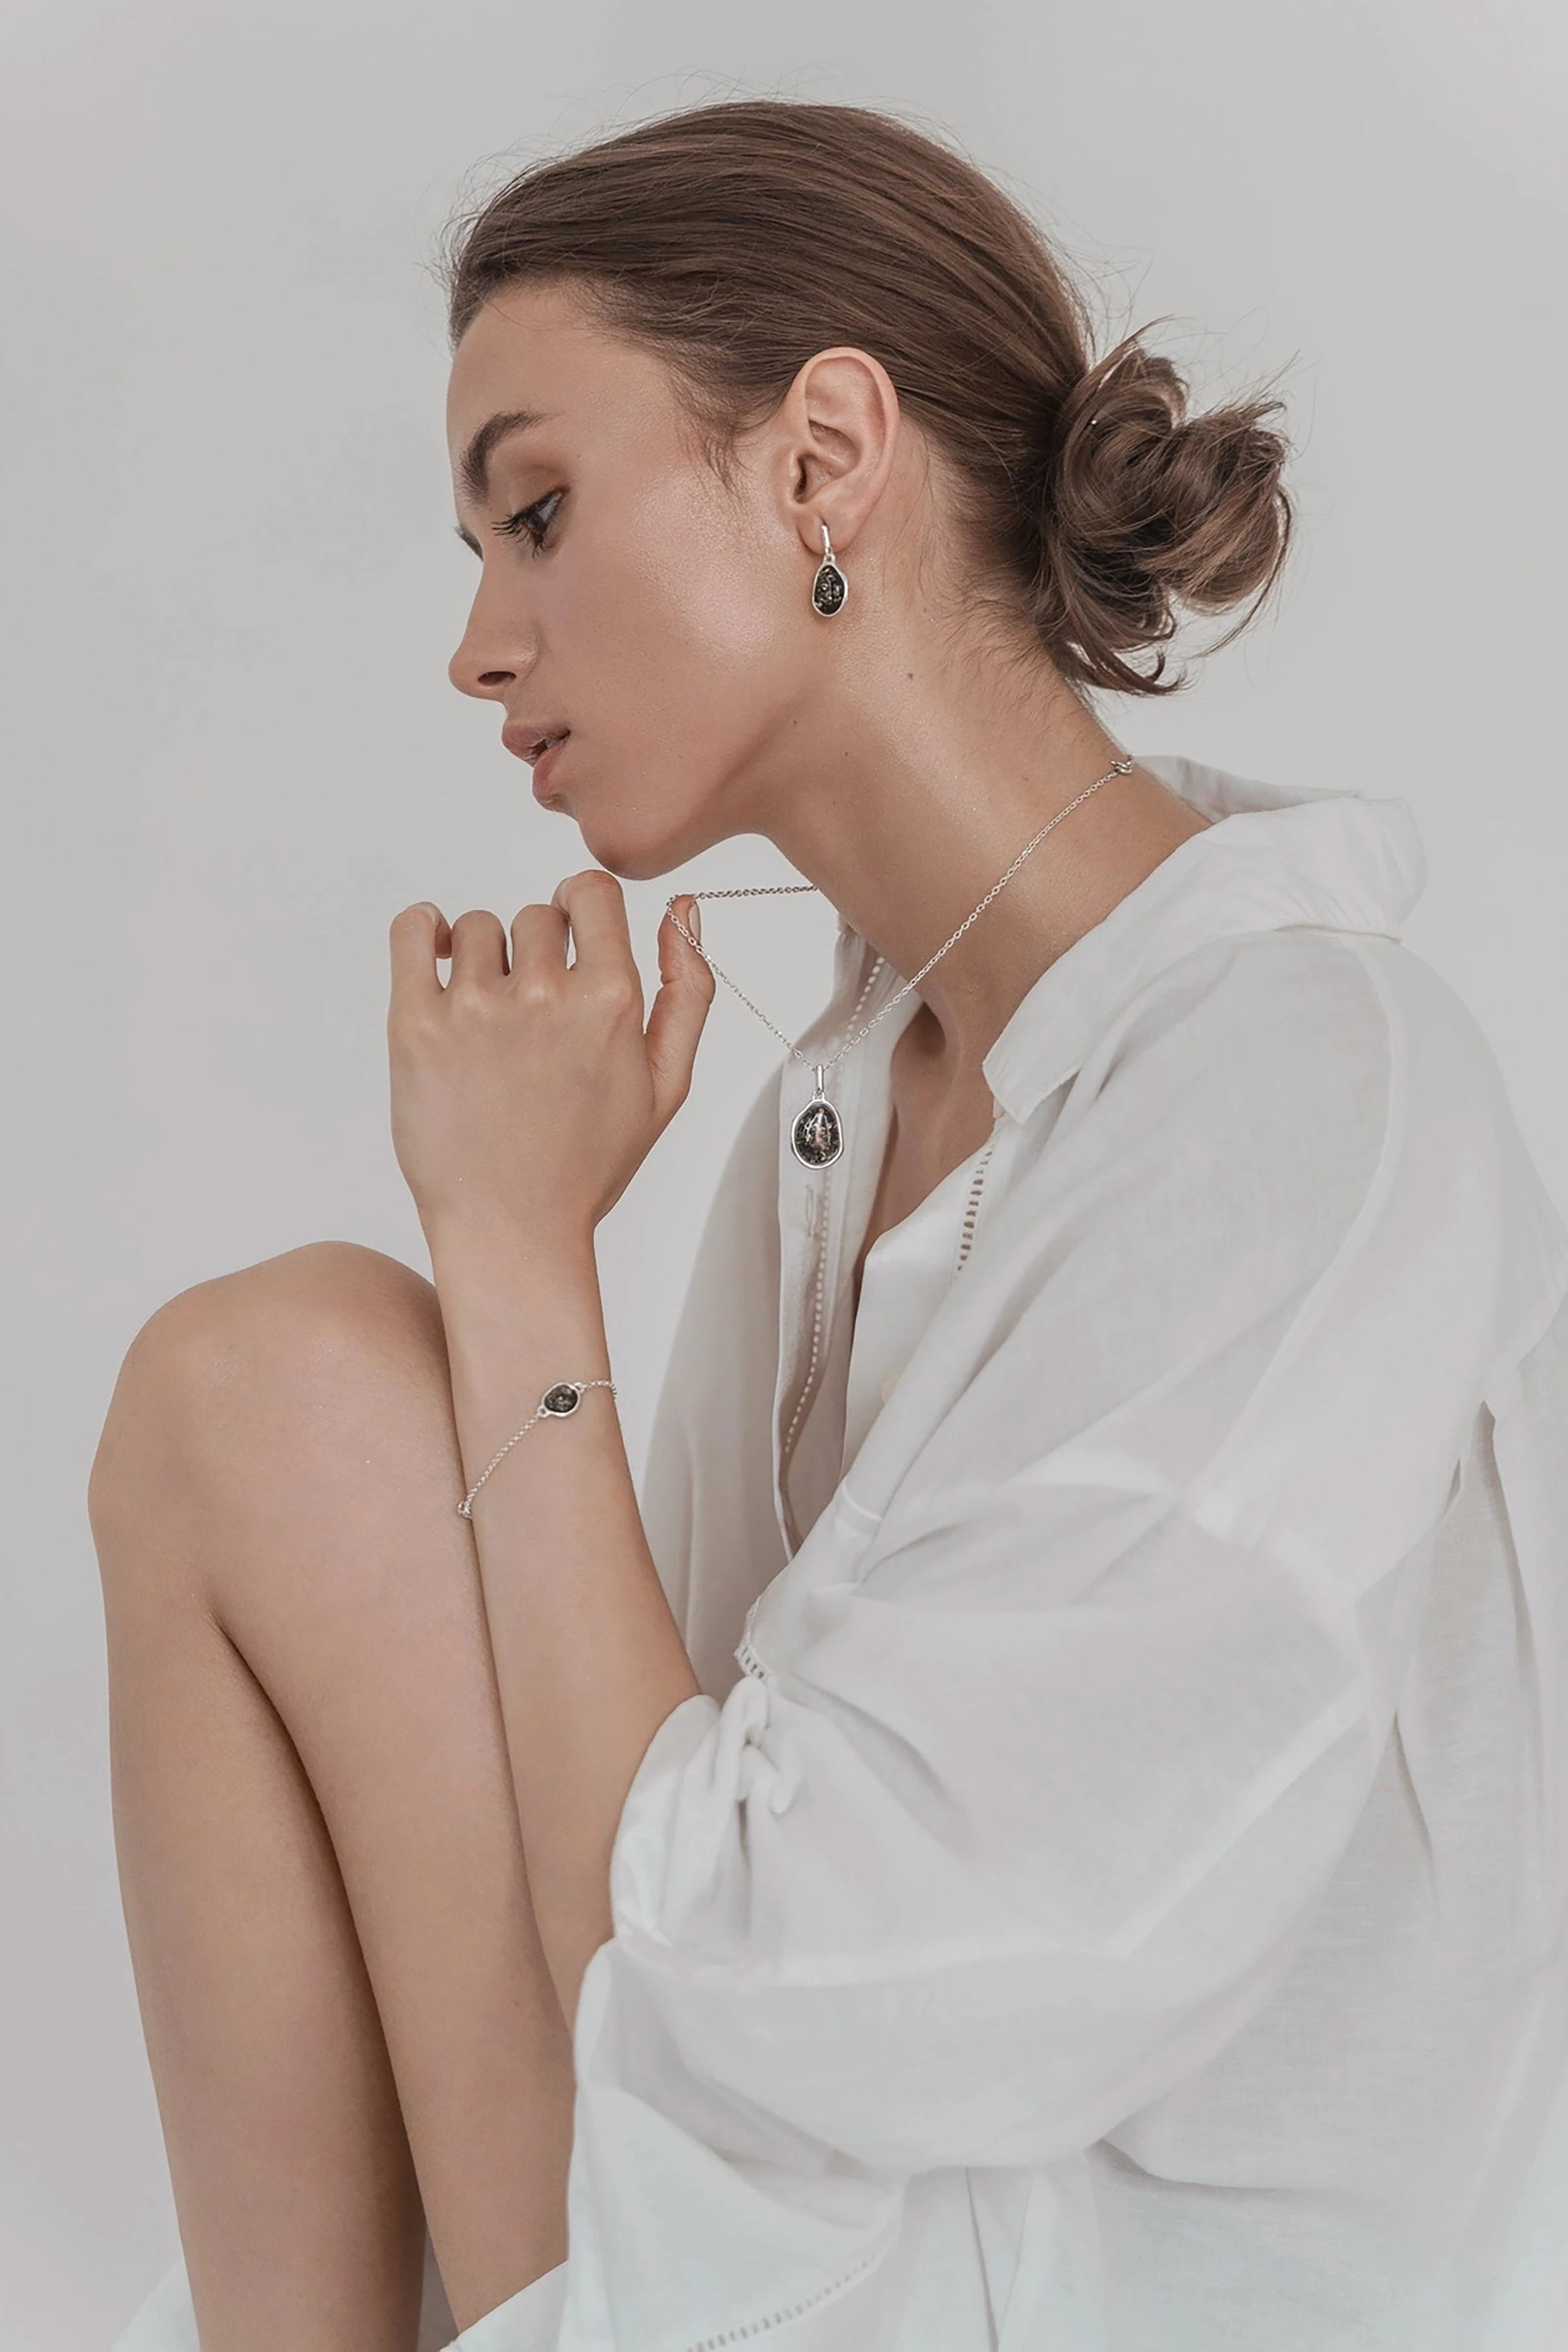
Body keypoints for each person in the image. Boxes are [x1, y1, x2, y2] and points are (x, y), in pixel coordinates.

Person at [91, 98, 1568, 2352]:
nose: (482, 647)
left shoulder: (1300, 1078)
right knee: (256, 1386)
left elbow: (794, 1985)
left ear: (822, 459)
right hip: (817, 2220)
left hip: (1072, 2287)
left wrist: (512, 1255)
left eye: (543, 511)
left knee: (285, 1386)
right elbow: (633, 1810)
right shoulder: (851, 1103)